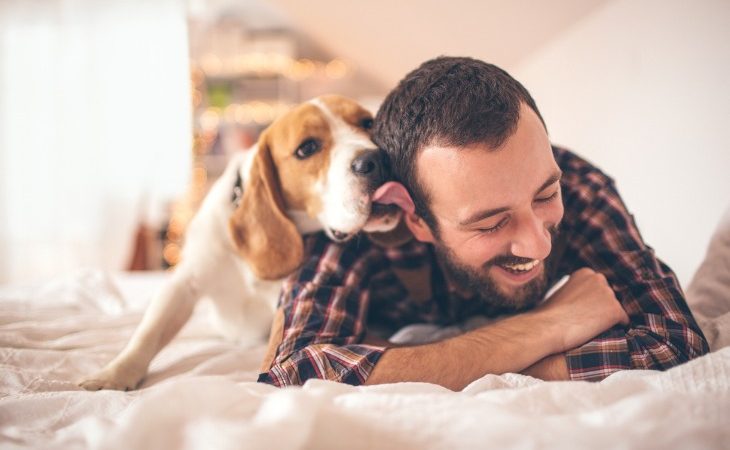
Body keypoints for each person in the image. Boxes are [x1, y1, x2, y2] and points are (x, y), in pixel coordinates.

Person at [257, 56, 709, 390]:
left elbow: (674, 342)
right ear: (414, 218)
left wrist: (422, 367)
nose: (538, 245)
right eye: (490, 224)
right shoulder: (362, 218)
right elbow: (294, 375)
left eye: (546, 196)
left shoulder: (580, 185)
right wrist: (549, 325)